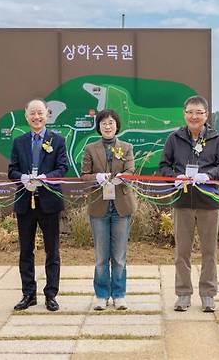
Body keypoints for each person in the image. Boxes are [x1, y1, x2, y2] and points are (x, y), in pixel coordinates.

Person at [159, 95, 219, 312]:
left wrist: (208, 176)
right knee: (182, 251)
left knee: (209, 251)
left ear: (206, 115)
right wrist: (175, 177)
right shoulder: (174, 138)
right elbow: (163, 166)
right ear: (184, 114)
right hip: (182, 201)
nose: (194, 116)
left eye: (198, 112)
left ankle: (208, 294)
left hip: (208, 202)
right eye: (190, 112)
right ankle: (182, 293)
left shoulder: (217, 139)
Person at [8, 99, 68, 311]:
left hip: (49, 202)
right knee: (26, 251)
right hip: (25, 202)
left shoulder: (57, 140)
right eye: (32, 113)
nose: (36, 117)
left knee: (52, 250)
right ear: (26, 115)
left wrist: (46, 177)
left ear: (47, 115)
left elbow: (63, 168)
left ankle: (51, 294)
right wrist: (22, 177)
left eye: (40, 113)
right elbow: (11, 171)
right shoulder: (19, 142)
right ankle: (28, 294)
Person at [80, 109, 138, 311]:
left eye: (111, 122)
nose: (107, 126)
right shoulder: (90, 148)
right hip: (99, 207)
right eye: (104, 123)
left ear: (117, 125)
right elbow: (84, 174)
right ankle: (101, 294)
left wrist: (123, 177)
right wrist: (96, 177)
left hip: (121, 206)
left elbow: (131, 171)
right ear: (99, 126)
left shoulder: (127, 147)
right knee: (101, 256)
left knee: (119, 256)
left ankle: (120, 294)